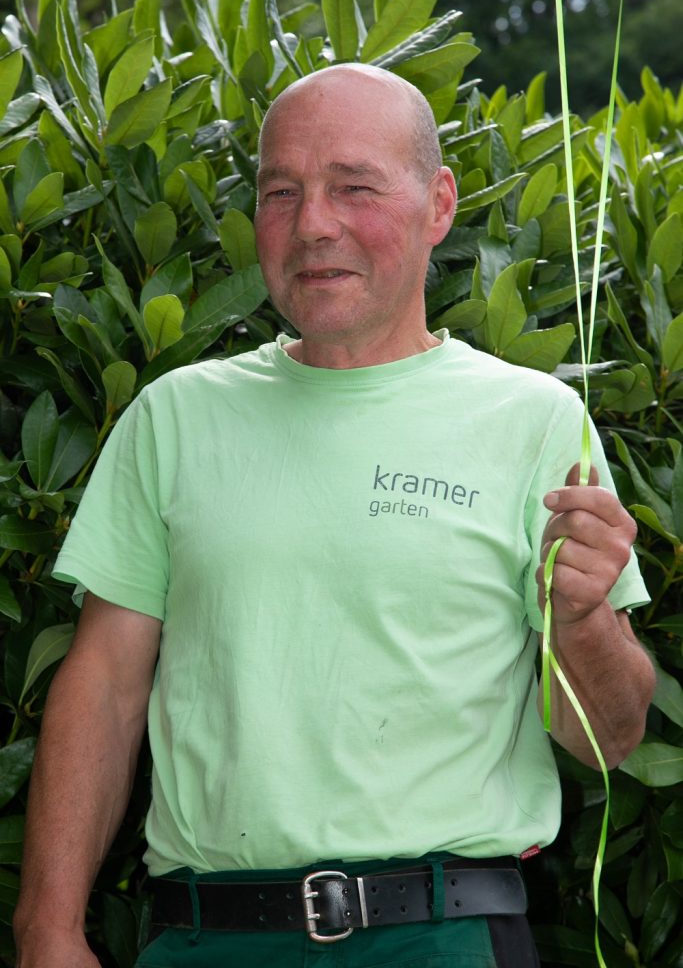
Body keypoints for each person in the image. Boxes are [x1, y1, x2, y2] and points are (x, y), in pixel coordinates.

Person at [13, 64, 655, 968]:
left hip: (443, 937)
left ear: (438, 204)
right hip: (204, 938)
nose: (313, 224)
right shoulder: (173, 416)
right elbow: (106, 685)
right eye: (281, 192)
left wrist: (583, 620)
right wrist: (46, 929)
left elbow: (610, 739)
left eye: (354, 186)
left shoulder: (534, 420)